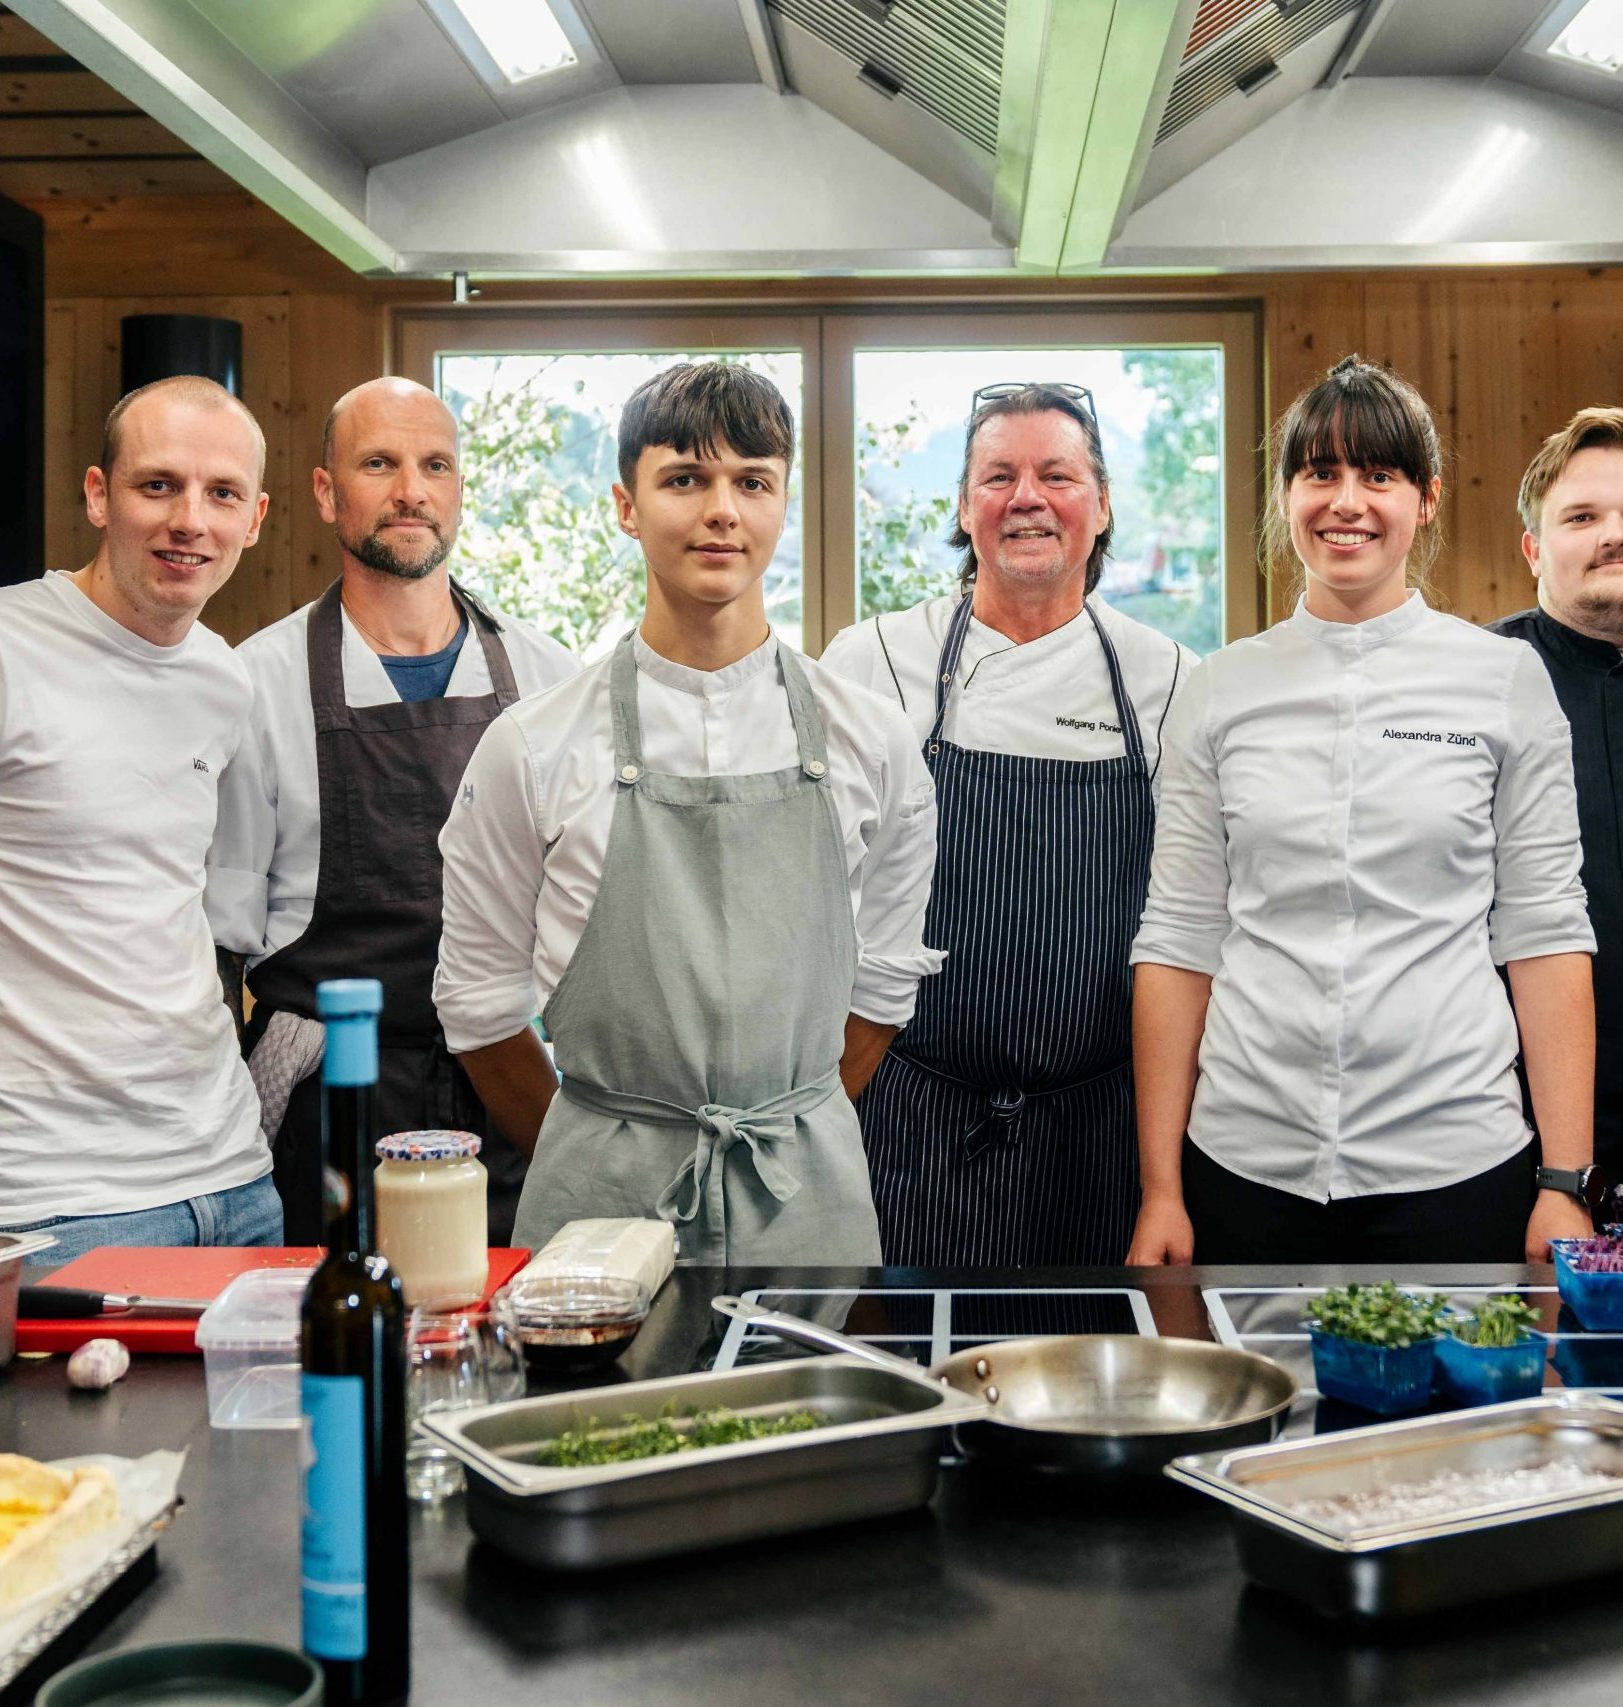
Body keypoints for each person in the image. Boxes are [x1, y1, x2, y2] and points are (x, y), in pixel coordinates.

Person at [434, 362, 942, 1262]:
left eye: (752, 481)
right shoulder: (533, 747)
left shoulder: (874, 742)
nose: (722, 510)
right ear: (625, 506)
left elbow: (882, 988)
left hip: (805, 1203)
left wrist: (789, 1117)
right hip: (597, 1212)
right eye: (684, 479)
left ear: (783, 504)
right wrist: (608, 1144)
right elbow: (479, 1007)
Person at [1129, 356, 1598, 1267]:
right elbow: (1179, 941)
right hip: (1243, 1160)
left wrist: (1563, 1181)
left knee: (1455, 1412)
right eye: (1320, 474)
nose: (1346, 501)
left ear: (1423, 501)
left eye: (1378, 475)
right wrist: (1160, 1189)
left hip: (1456, 1160)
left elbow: (1544, 933)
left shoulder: (1502, 681)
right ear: (1285, 496)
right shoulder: (1219, 688)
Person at [821, 382, 1194, 1265]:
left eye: (1056, 474)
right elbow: (811, 905)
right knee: (910, 1384)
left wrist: (1166, 1181)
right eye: (998, 476)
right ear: (963, 507)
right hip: (907, 1120)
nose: (1026, 496)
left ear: (1100, 506)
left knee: (1091, 1395)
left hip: (1102, 1135)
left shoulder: (1168, 678)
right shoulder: (871, 661)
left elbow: (1186, 930)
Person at [206, 377, 578, 1245]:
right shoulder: (256, 683)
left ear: (457, 491)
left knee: (518, 1349)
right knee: (343, 1351)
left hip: (514, 1089)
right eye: (380, 463)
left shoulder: (548, 677)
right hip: (334, 1099)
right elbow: (222, 947)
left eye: (434, 465)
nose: (411, 489)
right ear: (328, 491)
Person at [0, 376, 281, 1259]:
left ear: (257, 518)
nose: (189, 520)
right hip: (53, 1201)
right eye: (157, 485)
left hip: (235, 1175)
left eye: (221, 493)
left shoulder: (223, 679)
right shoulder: (11, 650)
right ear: (98, 494)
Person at [1490, 401, 1623, 1219]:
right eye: (1581, 516)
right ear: (1533, 548)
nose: (1615, 533)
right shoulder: (1470, 687)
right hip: (1516, 1153)